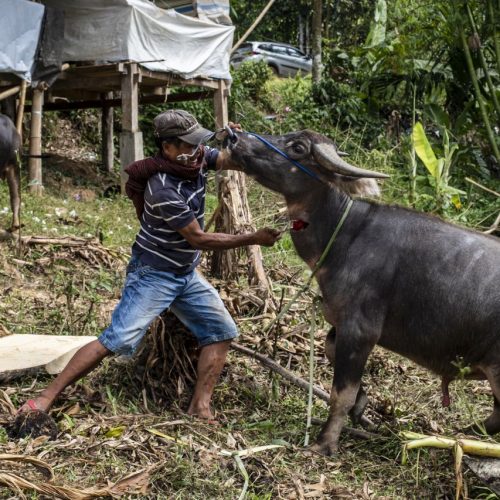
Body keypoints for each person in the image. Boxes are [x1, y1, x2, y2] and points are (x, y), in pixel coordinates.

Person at [19, 110, 281, 421]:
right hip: (154, 274)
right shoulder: (164, 189)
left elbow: (228, 161)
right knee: (116, 340)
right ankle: (45, 397)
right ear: (167, 147)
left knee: (220, 330)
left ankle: (200, 408)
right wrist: (253, 238)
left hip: (184, 273)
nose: (197, 150)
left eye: (198, 143)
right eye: (187, 145)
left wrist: (242, 144)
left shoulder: (194, 159)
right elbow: (199, 239)